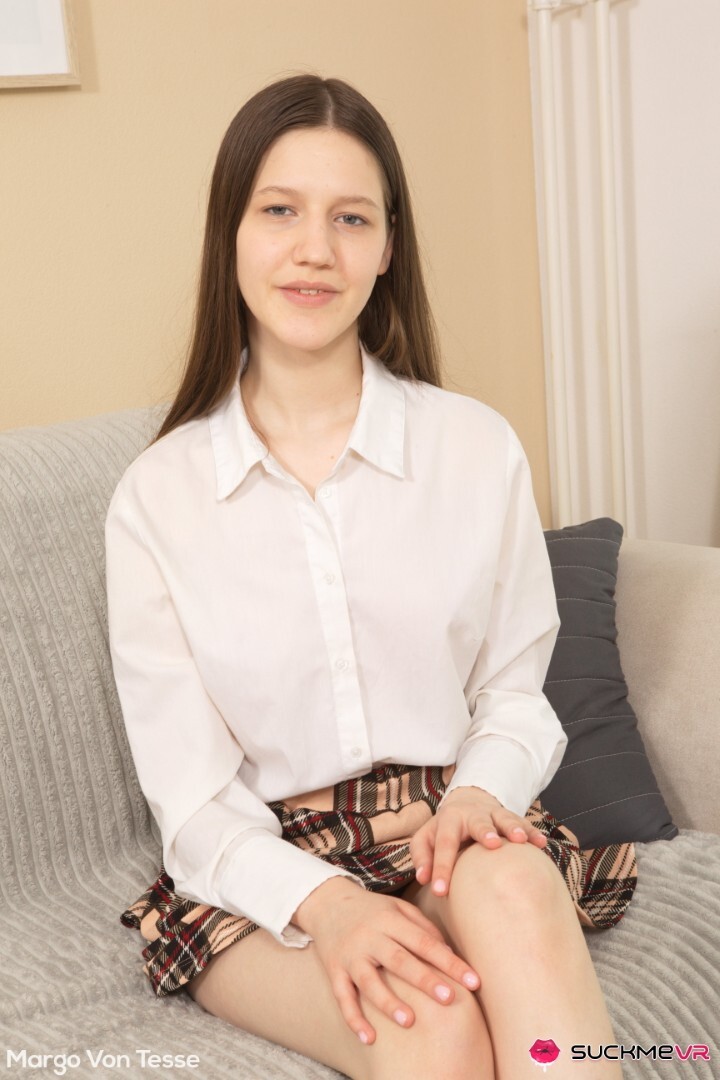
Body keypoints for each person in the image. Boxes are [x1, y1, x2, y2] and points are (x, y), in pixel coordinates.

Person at [107, 74, 636, 1080]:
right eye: (279, 211)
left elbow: (513, 694)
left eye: (351, 218)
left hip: (449, 822)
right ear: (230, 234)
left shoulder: (475, 448)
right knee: (434, 1028)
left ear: (388, 247)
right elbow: (194, 800)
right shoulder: (155, 500)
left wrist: (480, 794)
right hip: (266, 869)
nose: (316, 249)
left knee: (516, 888)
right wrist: (331, 906)